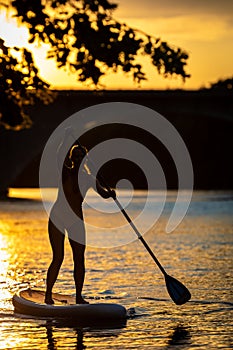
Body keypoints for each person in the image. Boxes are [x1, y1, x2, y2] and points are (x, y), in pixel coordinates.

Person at [45, 135, 116, 304]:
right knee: (58, 257)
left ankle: (78, 296)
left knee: (79, 257)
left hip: (76, 220)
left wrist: (111, 194)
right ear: (71, 159)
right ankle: (48, 294)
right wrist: (65, 140)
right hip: (58, 218)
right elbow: (57, 155)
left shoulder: (90, 178)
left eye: (80, 156)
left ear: (84, 158)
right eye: (74, 156)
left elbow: (103, 193)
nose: (77, 159)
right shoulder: (65, 172)